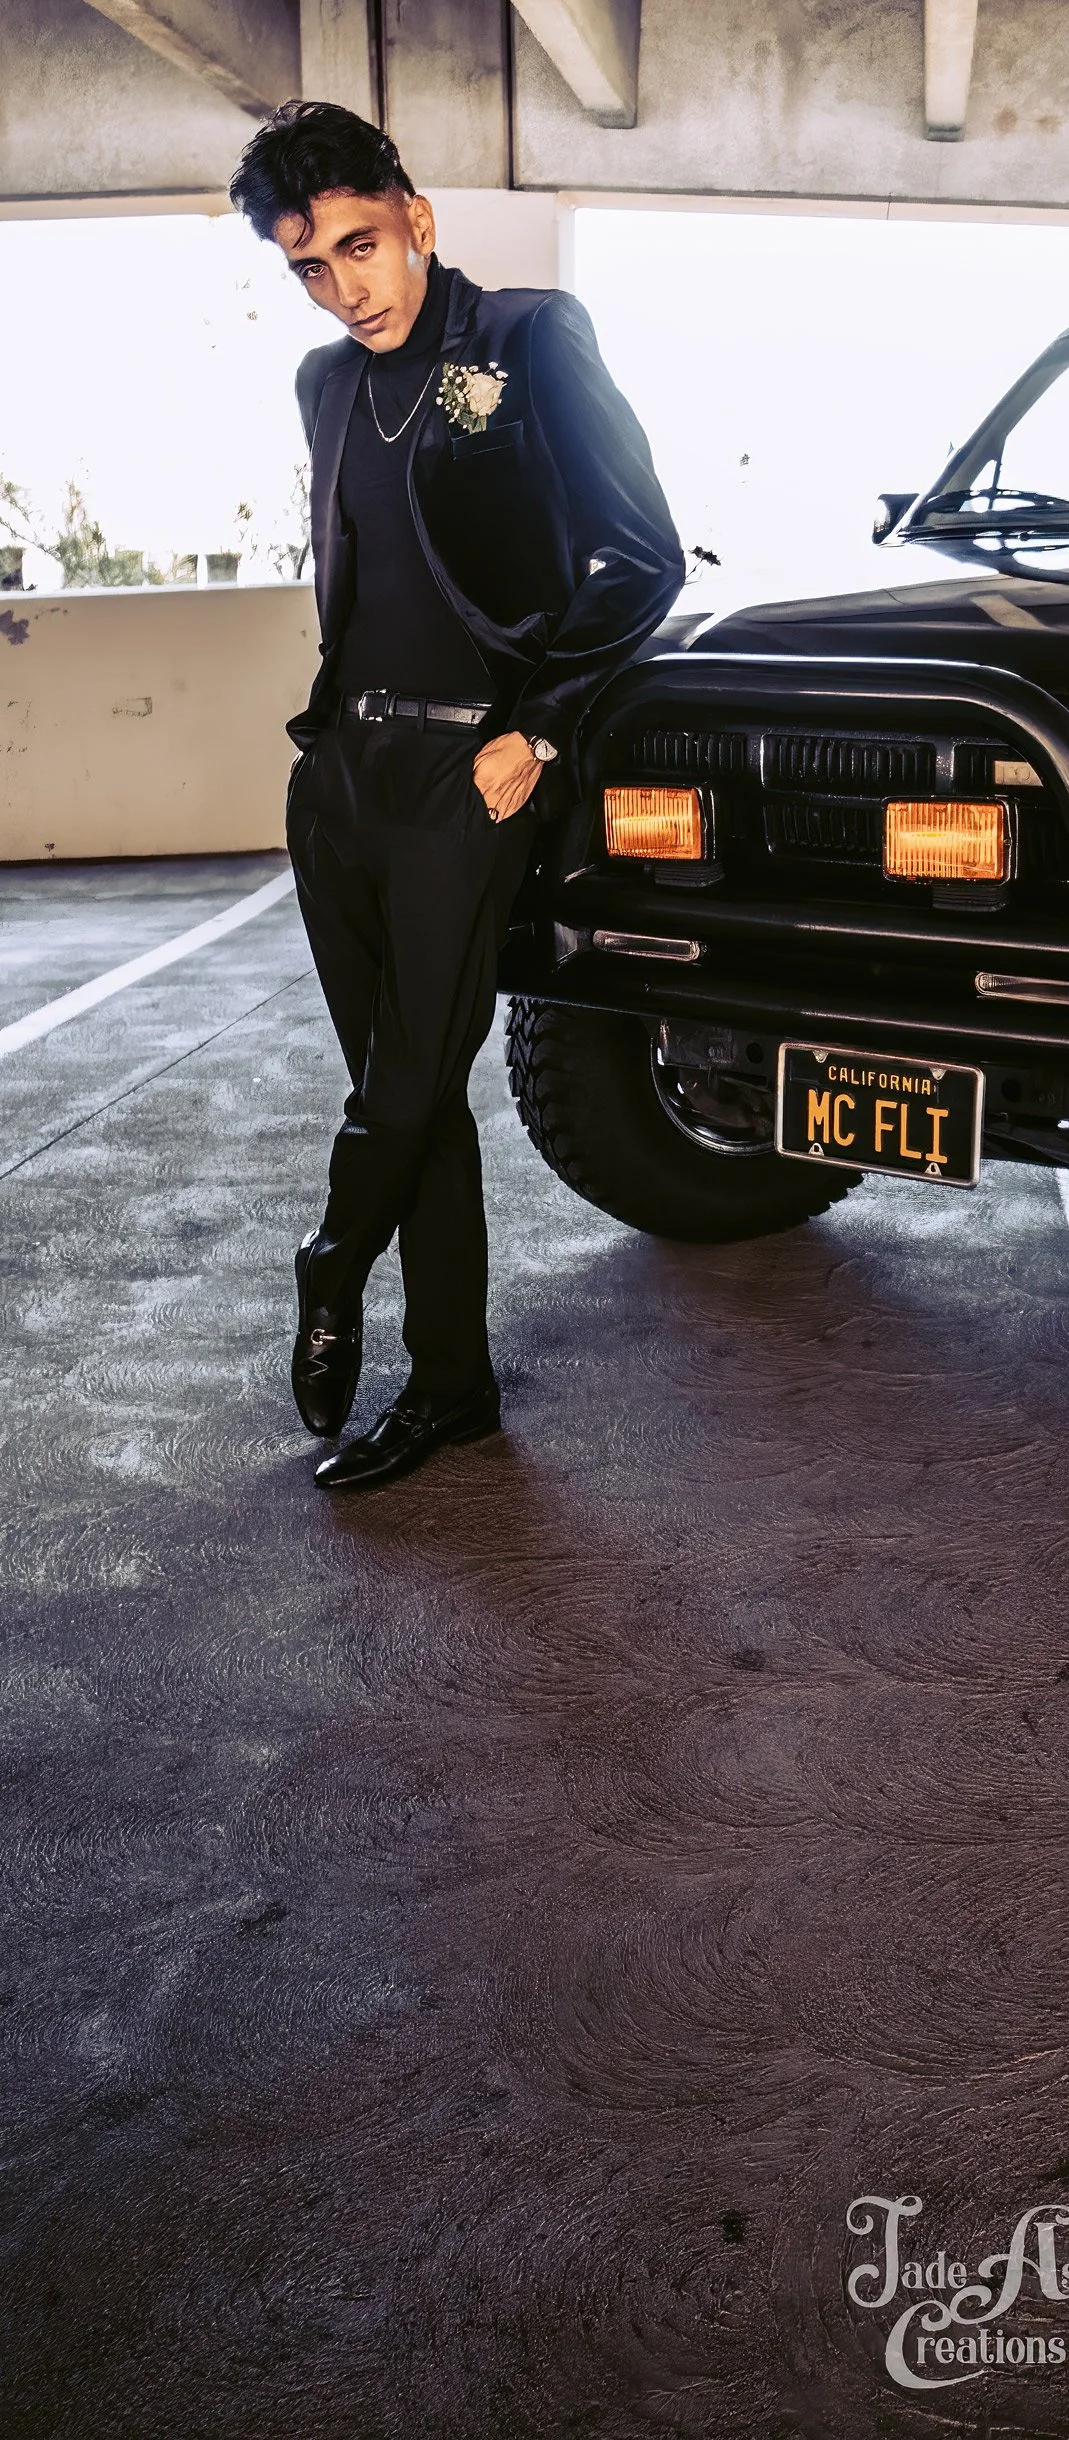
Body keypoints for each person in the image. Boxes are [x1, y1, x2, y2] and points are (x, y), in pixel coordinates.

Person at [229, 101, 683, 1490]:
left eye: (360, 245)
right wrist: (324, 762)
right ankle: (452, 1386)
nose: (344, 286)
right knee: (405, 1091)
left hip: (466, 773)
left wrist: (536, 730)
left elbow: (642, 558)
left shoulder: (530, 340)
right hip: (343, 781)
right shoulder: (325, 384)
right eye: (310, 265)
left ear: (416, 217)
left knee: (417, 1073)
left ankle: (329, 1261)